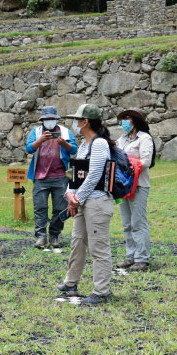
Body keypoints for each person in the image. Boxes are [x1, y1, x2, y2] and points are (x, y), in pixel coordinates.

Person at [57, 104, 114, 305]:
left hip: (97, 201)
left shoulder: (100, 144)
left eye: (78, 119)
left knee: (98, 247)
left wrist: (76, 198)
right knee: (77, 241)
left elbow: (95, 175)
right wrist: (69, 194)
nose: (75, 123)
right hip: (83, 200)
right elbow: (77, 175)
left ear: (85, 121)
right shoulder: (82, 146)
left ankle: (102, 291)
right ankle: (71, 282)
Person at [26, 106, 78, 249]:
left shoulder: (65, 132)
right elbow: (29, 148)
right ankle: (41, 237)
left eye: (52, 119)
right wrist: (41, 140)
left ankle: (54, 235)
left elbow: (74, 149)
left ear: (56, 119)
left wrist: (64, 144)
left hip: (61, 176)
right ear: (42, 120)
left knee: (60, 208)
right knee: (40, 207)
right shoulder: (36, 132)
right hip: (40, 176)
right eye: (46, 119)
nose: (49, 121)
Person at [114, 108, 155, 272]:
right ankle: (130, 256)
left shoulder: (145, 139)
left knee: (138, 222)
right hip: (122, 185)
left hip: (139, 185)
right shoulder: (121, 139)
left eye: (128, 118)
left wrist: (124, 162)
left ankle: (142, 258)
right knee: (126, 223)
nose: (124, 121)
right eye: (123, 118)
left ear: (136, 121)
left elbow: (145, 161)